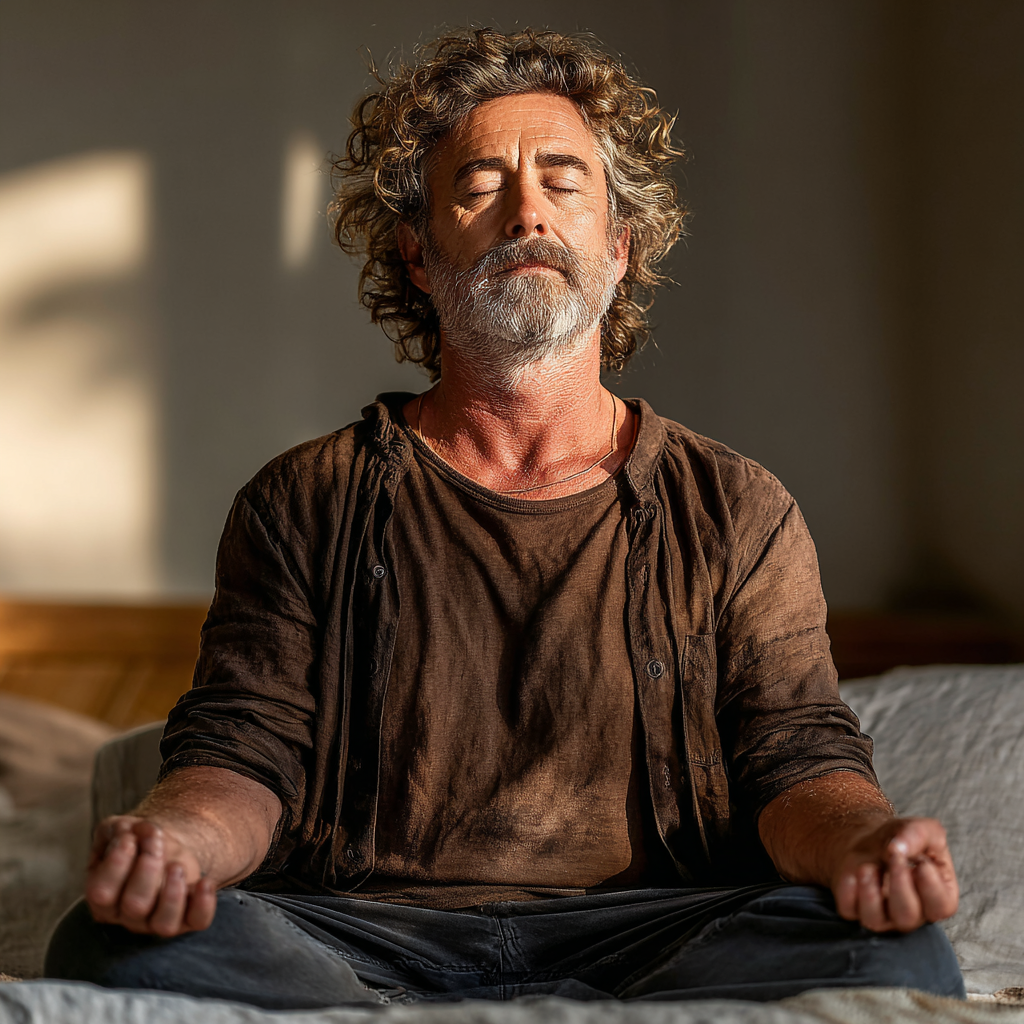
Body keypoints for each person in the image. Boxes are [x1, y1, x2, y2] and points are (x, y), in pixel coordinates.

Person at [46, 28, 963, 1009]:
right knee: (111, 945)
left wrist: (866, 845)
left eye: (563, 180)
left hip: (657, 931)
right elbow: (241, 749)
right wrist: (176, 840)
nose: (527, 210)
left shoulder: (736, 507)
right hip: (359, 932)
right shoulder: (302, 500)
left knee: (904, 958)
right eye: (480, 184)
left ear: (617, 244)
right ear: (419, 251)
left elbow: (797, 757)